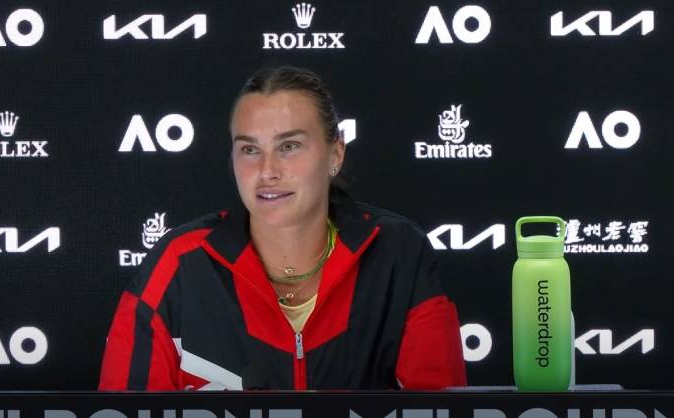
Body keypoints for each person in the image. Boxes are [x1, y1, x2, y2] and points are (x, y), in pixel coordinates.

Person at [98, 66, 467, 390]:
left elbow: (439, 407)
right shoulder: (177, 263)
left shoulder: (399, 253)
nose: (267, 171)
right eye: (249, 149)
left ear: (335, 154)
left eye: (289, 146)